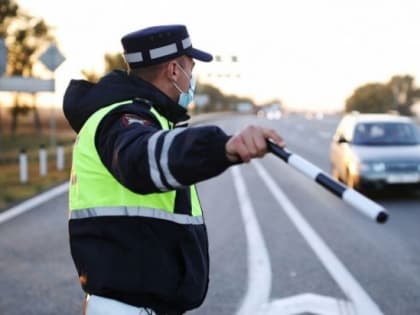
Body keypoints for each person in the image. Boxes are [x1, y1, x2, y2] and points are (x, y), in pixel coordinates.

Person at [63, 24, 285, 315]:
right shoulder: (123, 119)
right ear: (173, 70)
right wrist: (224, 146)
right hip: (129, 309)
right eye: (191, 68)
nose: (192, 78)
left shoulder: (144, 117)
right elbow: (141, 159)